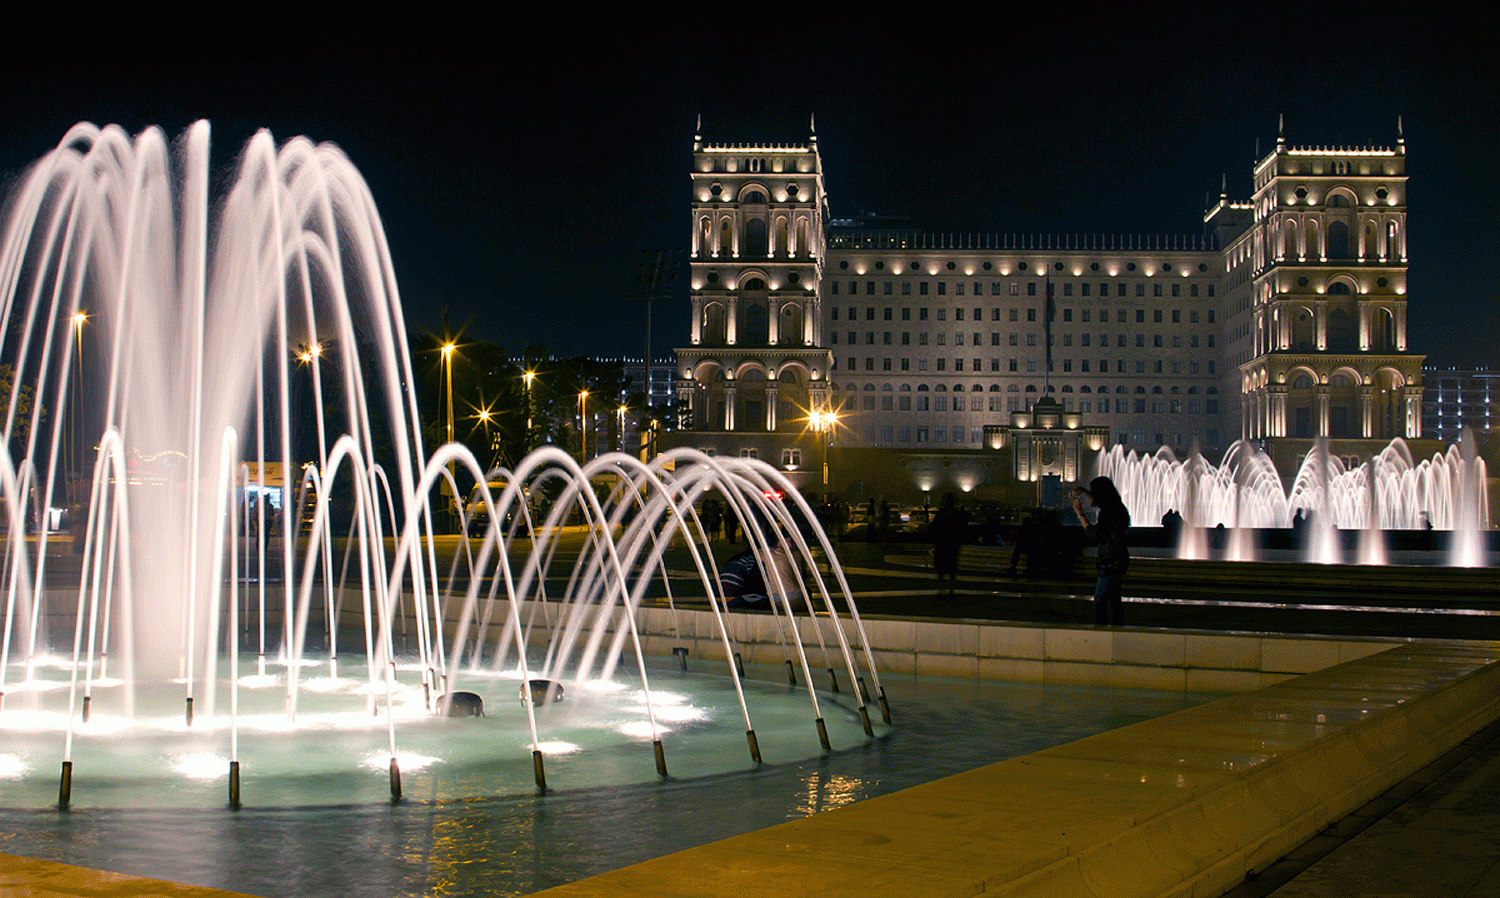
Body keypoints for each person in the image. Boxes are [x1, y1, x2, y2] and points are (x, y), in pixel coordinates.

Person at [1072, 476, 1130, 626]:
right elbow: (1099, 501)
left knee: (1099, 602)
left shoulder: (1109, 513)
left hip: (1110, 562)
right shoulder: (1116, 507)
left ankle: (1101, 635)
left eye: (1094, 492)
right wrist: (1084, 492)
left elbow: (1092, 533)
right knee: (1114, 603)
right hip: (1118, 560)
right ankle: (1117, 633)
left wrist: (1080, 514)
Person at [929, 493, 969, 598]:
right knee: (949, 569)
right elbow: (961, 529)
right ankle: (949, 590)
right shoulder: (956, 515)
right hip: (950, 544)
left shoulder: (941, 514)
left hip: (945, 544)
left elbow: (934, 528)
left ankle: (944, 590)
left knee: (944, 569)